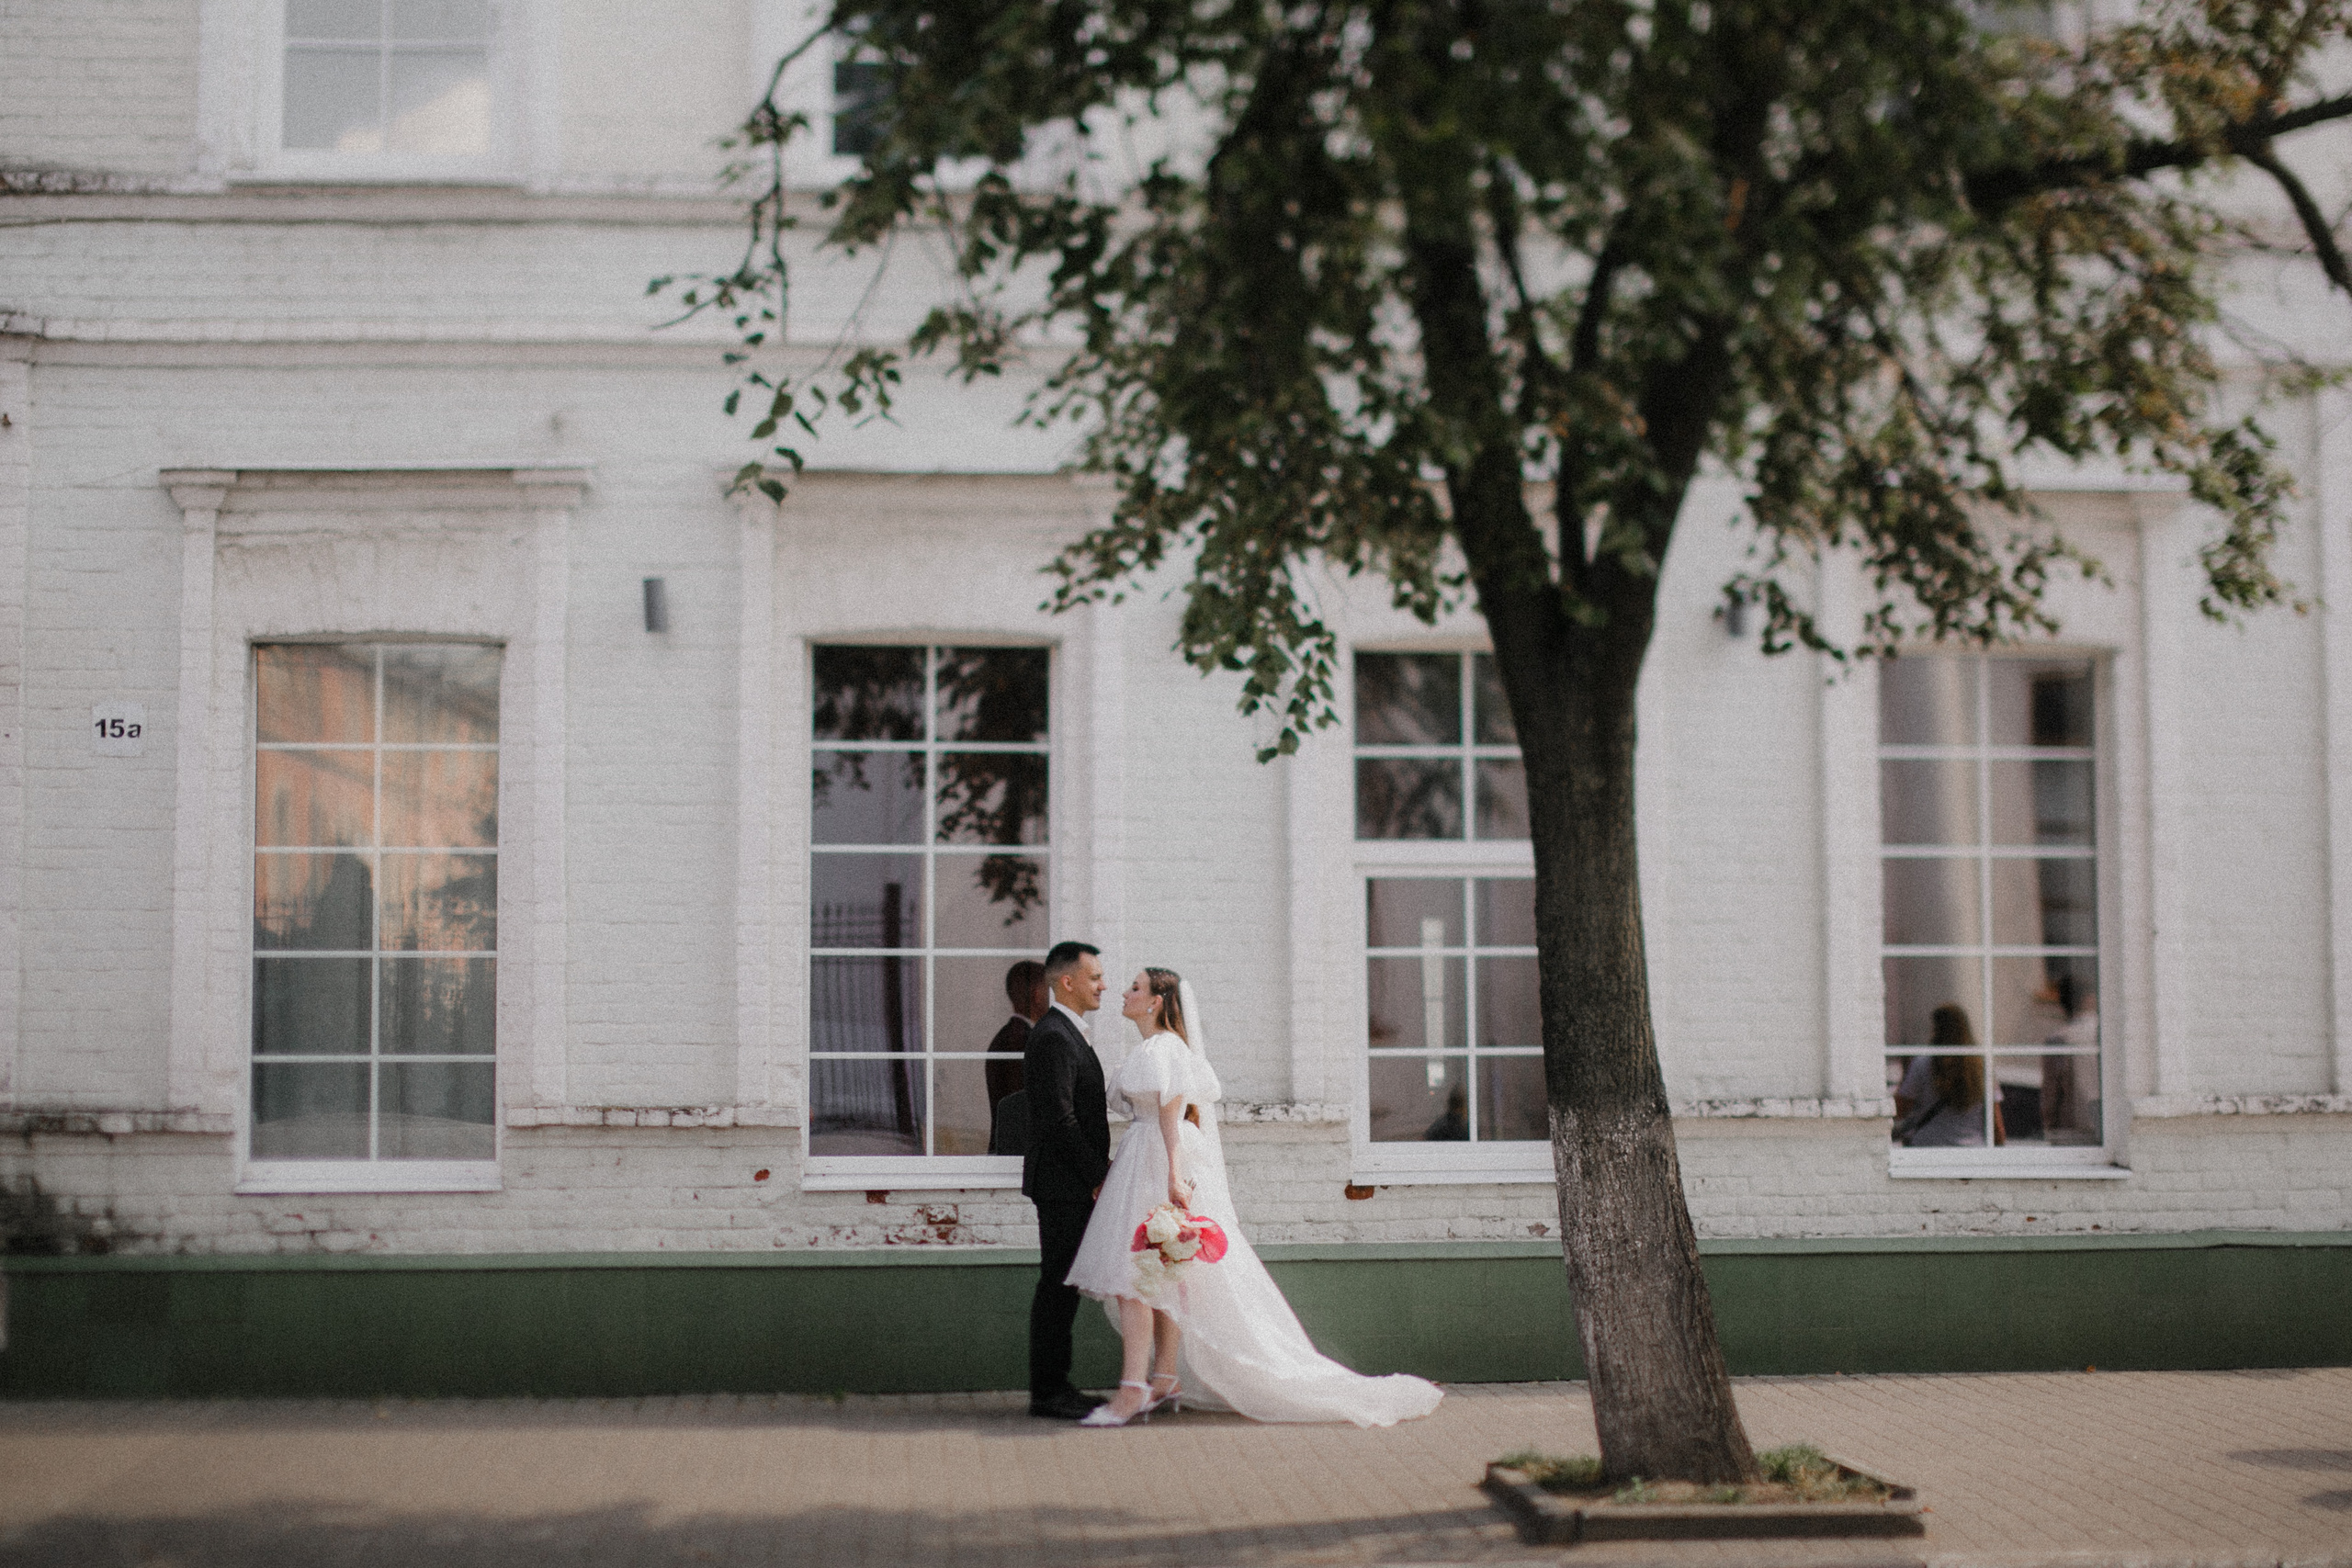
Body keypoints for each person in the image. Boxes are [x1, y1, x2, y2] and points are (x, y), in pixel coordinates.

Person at [1066, 966, 1444, 1428]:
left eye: (1135, 988)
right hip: (1146, 1153)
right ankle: (1163, 1377)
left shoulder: (1162, 1049)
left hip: (1157, 1156)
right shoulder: (1152, 1050)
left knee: (1138, 1276)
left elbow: (1170, 1114)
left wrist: (1173, 1175)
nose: (1124, 993)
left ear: (1157, 1001)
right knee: (1161, 1272)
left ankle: (1131, 1390)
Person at [1022, 941, 1112, 1420]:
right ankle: (1050, 1391)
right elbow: (1060, 1119)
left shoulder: (1067, 1032)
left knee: (1063, 1284)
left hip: (1068, 1182)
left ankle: (1054, 1387)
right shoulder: (1055, 1035)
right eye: (1095, 977)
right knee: (1058, 1284)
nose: (1103, 985)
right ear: (1067, 982)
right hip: (1062, 1185)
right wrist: (1099, 1177)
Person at [1894, 1003, 2006, 1147]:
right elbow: (1996, 1126)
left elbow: (1900, 1110)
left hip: (1928, 1150)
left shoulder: (1922, 1063)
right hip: (1972, 1152)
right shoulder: (1981, 1067)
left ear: (1936, 1030)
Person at [986, 959, 1046, 1155]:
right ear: (1037, 995)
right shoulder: (1023, 1041)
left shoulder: (1009, 1036)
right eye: (1050, 990)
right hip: (1016, 1154)